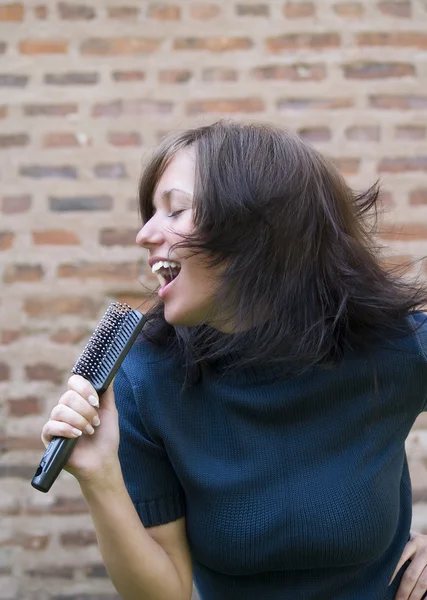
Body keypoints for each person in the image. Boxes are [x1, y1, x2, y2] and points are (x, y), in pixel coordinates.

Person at [41, 120, 427, 600]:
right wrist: (100, 477)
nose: (144, 234)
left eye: (175, 210)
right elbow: (166, 592)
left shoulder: (396, 347)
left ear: (257, 229)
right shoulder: (145, 381)